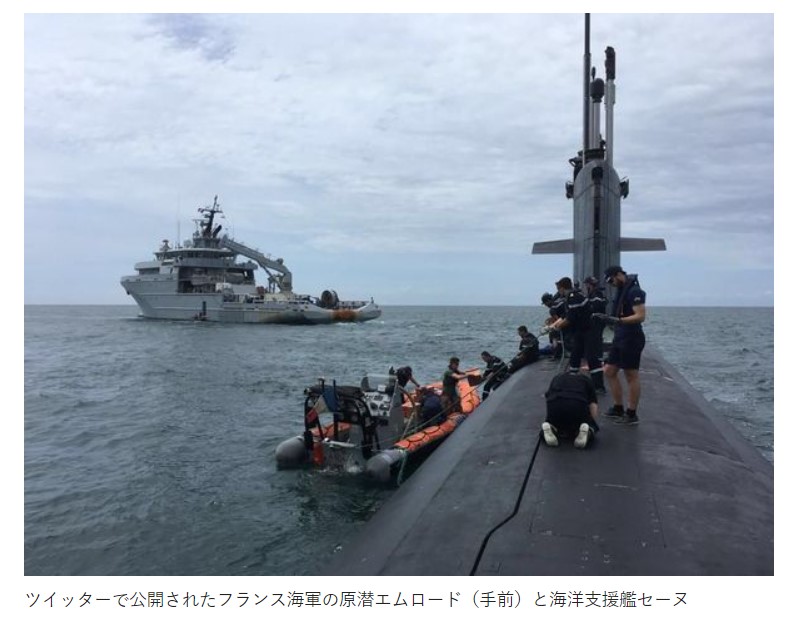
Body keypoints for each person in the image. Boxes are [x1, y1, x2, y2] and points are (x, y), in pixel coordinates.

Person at [592, 265, 647, 425]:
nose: (611, 284)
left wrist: (618, 320)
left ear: (618, 275)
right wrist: (607, 318)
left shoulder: (634, 291)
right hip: (620, 336)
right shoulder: (622, 290)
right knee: (609, 371)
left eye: (611, 280)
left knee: (631, 375)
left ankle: (631, 414)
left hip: (632, 337)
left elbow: (641, 316)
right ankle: (618, 408)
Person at [541, 371, 600, 449]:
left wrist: (549, 417)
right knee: (590, 426)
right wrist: (590, 421)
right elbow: (593, 405)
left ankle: (551, 427)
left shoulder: (557, 377)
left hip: (556, 404)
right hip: (577, 404)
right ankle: (587, 431)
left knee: (555, 423)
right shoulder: (587, 380)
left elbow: (548, 397)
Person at [549, 277, 592, 377]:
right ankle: (573, 373)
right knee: (575, 353)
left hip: (586, 330)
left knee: (586, 356)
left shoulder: (573, 297)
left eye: (559, 289)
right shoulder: (573, 296)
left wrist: (557, 327)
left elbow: (571, 318)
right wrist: (553, 325)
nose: (559, 292)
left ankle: (595, 383)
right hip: (581, 330)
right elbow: (566, 315)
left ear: (562, 288)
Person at [583, 275, 608, 393]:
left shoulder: (596, 294)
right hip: (596, 326)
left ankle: (598, 386)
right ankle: (597, 384)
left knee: (593, 356)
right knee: (594, 355)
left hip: (595, 327)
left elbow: (595, 308)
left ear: (589, 284)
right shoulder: (598, 294)